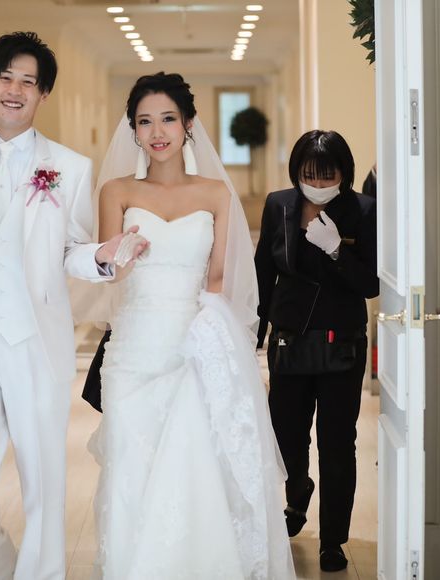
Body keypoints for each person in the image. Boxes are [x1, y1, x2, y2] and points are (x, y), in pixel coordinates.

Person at [0, 32, 146, 580]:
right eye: (6, 78)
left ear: (43, 94)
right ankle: (6, 569)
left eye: (28, 82)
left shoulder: (69, 166)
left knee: (44, 487)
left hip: (36, 343)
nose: (15, 90)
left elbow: (71, 249)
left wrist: (103, 255)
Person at [85, 72, 295, 579]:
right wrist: (121, 256)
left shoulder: (216, 194)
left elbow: (218, 280)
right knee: (131, 468)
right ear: (133, 131)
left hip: (192, 348)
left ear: (188, 125)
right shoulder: (115, 191)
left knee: (191, 470)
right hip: (132, 352)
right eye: (144, 121)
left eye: (168, 119)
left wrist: (220, 354)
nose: (157, 132)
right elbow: (110, 271)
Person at [254, 130, 379, 572]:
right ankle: (298, 491)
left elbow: (370, 284)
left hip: (342, 343)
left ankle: (333, 540)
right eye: (309, 175)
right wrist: (253, 335)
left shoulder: (363, 210)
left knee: (337, 443)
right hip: (288, 339)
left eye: (327, 176)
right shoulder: (279, 205)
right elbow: (263, 272)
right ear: (297, 173)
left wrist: (336, 251)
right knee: (286, 435)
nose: (318, 184)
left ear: (344, 174)